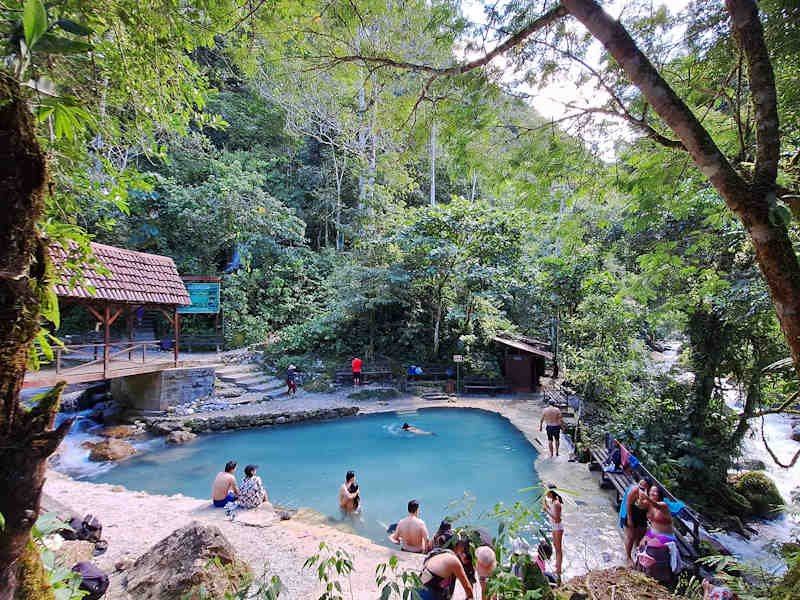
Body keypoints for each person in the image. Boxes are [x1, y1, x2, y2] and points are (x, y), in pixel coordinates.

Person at [416, 532, 474, 600]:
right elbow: (468, 589)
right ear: (459, 546)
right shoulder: (453, 560)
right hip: (427, 596)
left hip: (416, 593)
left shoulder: (435, 553)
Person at [620, 478, 650, 565]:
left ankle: (637, 555)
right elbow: (628, 504)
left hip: (642, 514)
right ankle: (628, 557)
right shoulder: (634, 490)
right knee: (631, 536)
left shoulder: (650, 494)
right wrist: (629, 519)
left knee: (640, 536)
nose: (641, 489)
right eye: (640, 487)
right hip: (632, 512)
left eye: (644, 488)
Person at [543, 490, 564, 578]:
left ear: (551, 493)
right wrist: (544, 502)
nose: (546, 494)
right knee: (556, 546)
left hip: (558, 528)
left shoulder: (556, 503)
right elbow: (550, 509)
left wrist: (547, 512)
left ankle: (558, 569)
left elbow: (557, 519)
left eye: (547, 492)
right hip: (554, 528)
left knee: (558, 549)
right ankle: (557, 566)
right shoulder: (553, 503)